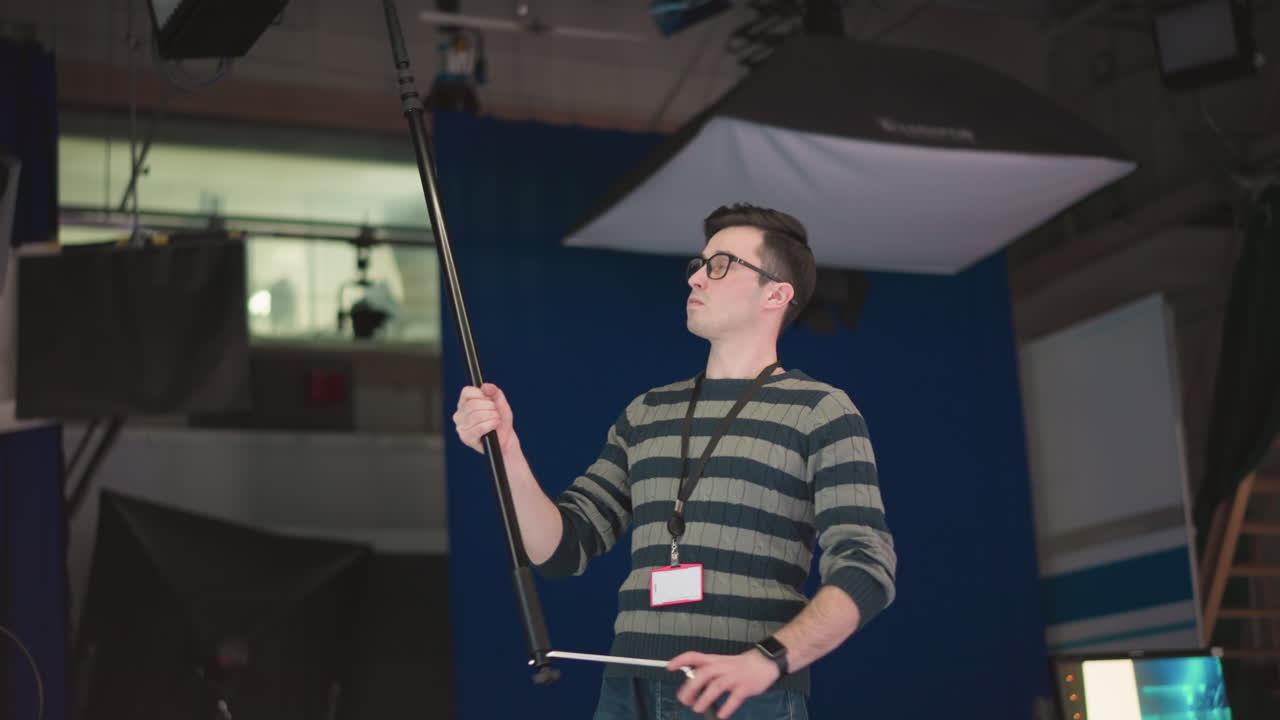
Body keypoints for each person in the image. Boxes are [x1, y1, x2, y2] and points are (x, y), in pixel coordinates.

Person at [453, 203, 896, 719]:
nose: (697, 278)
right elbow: (561, 550)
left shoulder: (820, 409)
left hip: (744, 694)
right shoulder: (649, 410)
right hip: (629, 689)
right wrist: (507, 450)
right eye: (699, 264)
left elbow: (867, 567)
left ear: (776, 294)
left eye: (722, 264)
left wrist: (766, 660)